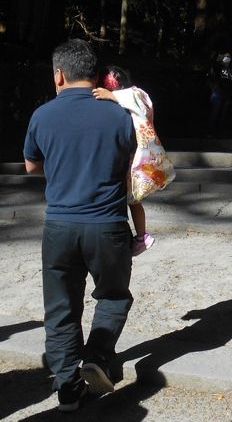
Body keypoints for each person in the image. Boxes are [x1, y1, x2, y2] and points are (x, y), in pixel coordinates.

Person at [23, 39, 136, 411]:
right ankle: (98, 357)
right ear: (94, 74)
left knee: (60, 308)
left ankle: (68, 386)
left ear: (59, 74)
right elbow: (132, 168)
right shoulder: (120, 116)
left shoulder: (42, 115)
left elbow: (31, 166)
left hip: (59, 225)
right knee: (113, 296)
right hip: (108, 224)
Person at [93, 66, 176, 255]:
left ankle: (140, 236)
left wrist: (113, 97)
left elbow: (129, 99)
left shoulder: (132, 94)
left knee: (129, 198)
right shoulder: (136, 96)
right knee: (133, 200)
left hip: (130, 155)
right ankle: (141, 236)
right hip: (131, 153)